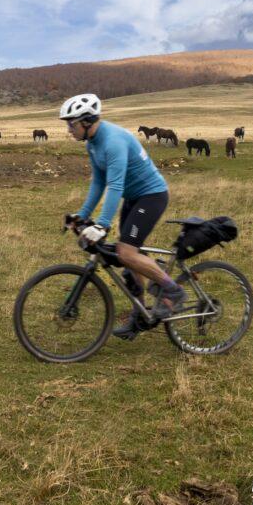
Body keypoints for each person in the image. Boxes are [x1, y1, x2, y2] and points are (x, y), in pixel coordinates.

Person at [58, 93, 185, 339]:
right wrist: (81, 216)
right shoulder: (92, 143)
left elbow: (115, 186)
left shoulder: (113, 141)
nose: (68, 129)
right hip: (133, 198)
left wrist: (102, 225)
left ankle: (173, 291)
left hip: (151, 196)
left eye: (71, 124)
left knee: (126, 252)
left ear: (86, 121)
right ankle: (139, 317)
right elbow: (99, 182)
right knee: (128, 257)